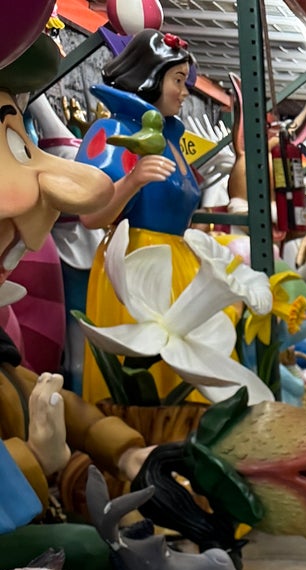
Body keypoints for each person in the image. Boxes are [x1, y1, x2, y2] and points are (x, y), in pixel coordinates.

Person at [74, 29, 202, 403]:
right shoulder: (113, 132)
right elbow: (90, 216)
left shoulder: (172, 139)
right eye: (177, 80)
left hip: (177, 266)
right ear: (152, 76)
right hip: (134, 267)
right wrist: (131, 181)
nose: (184, 91)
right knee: (143, 381)